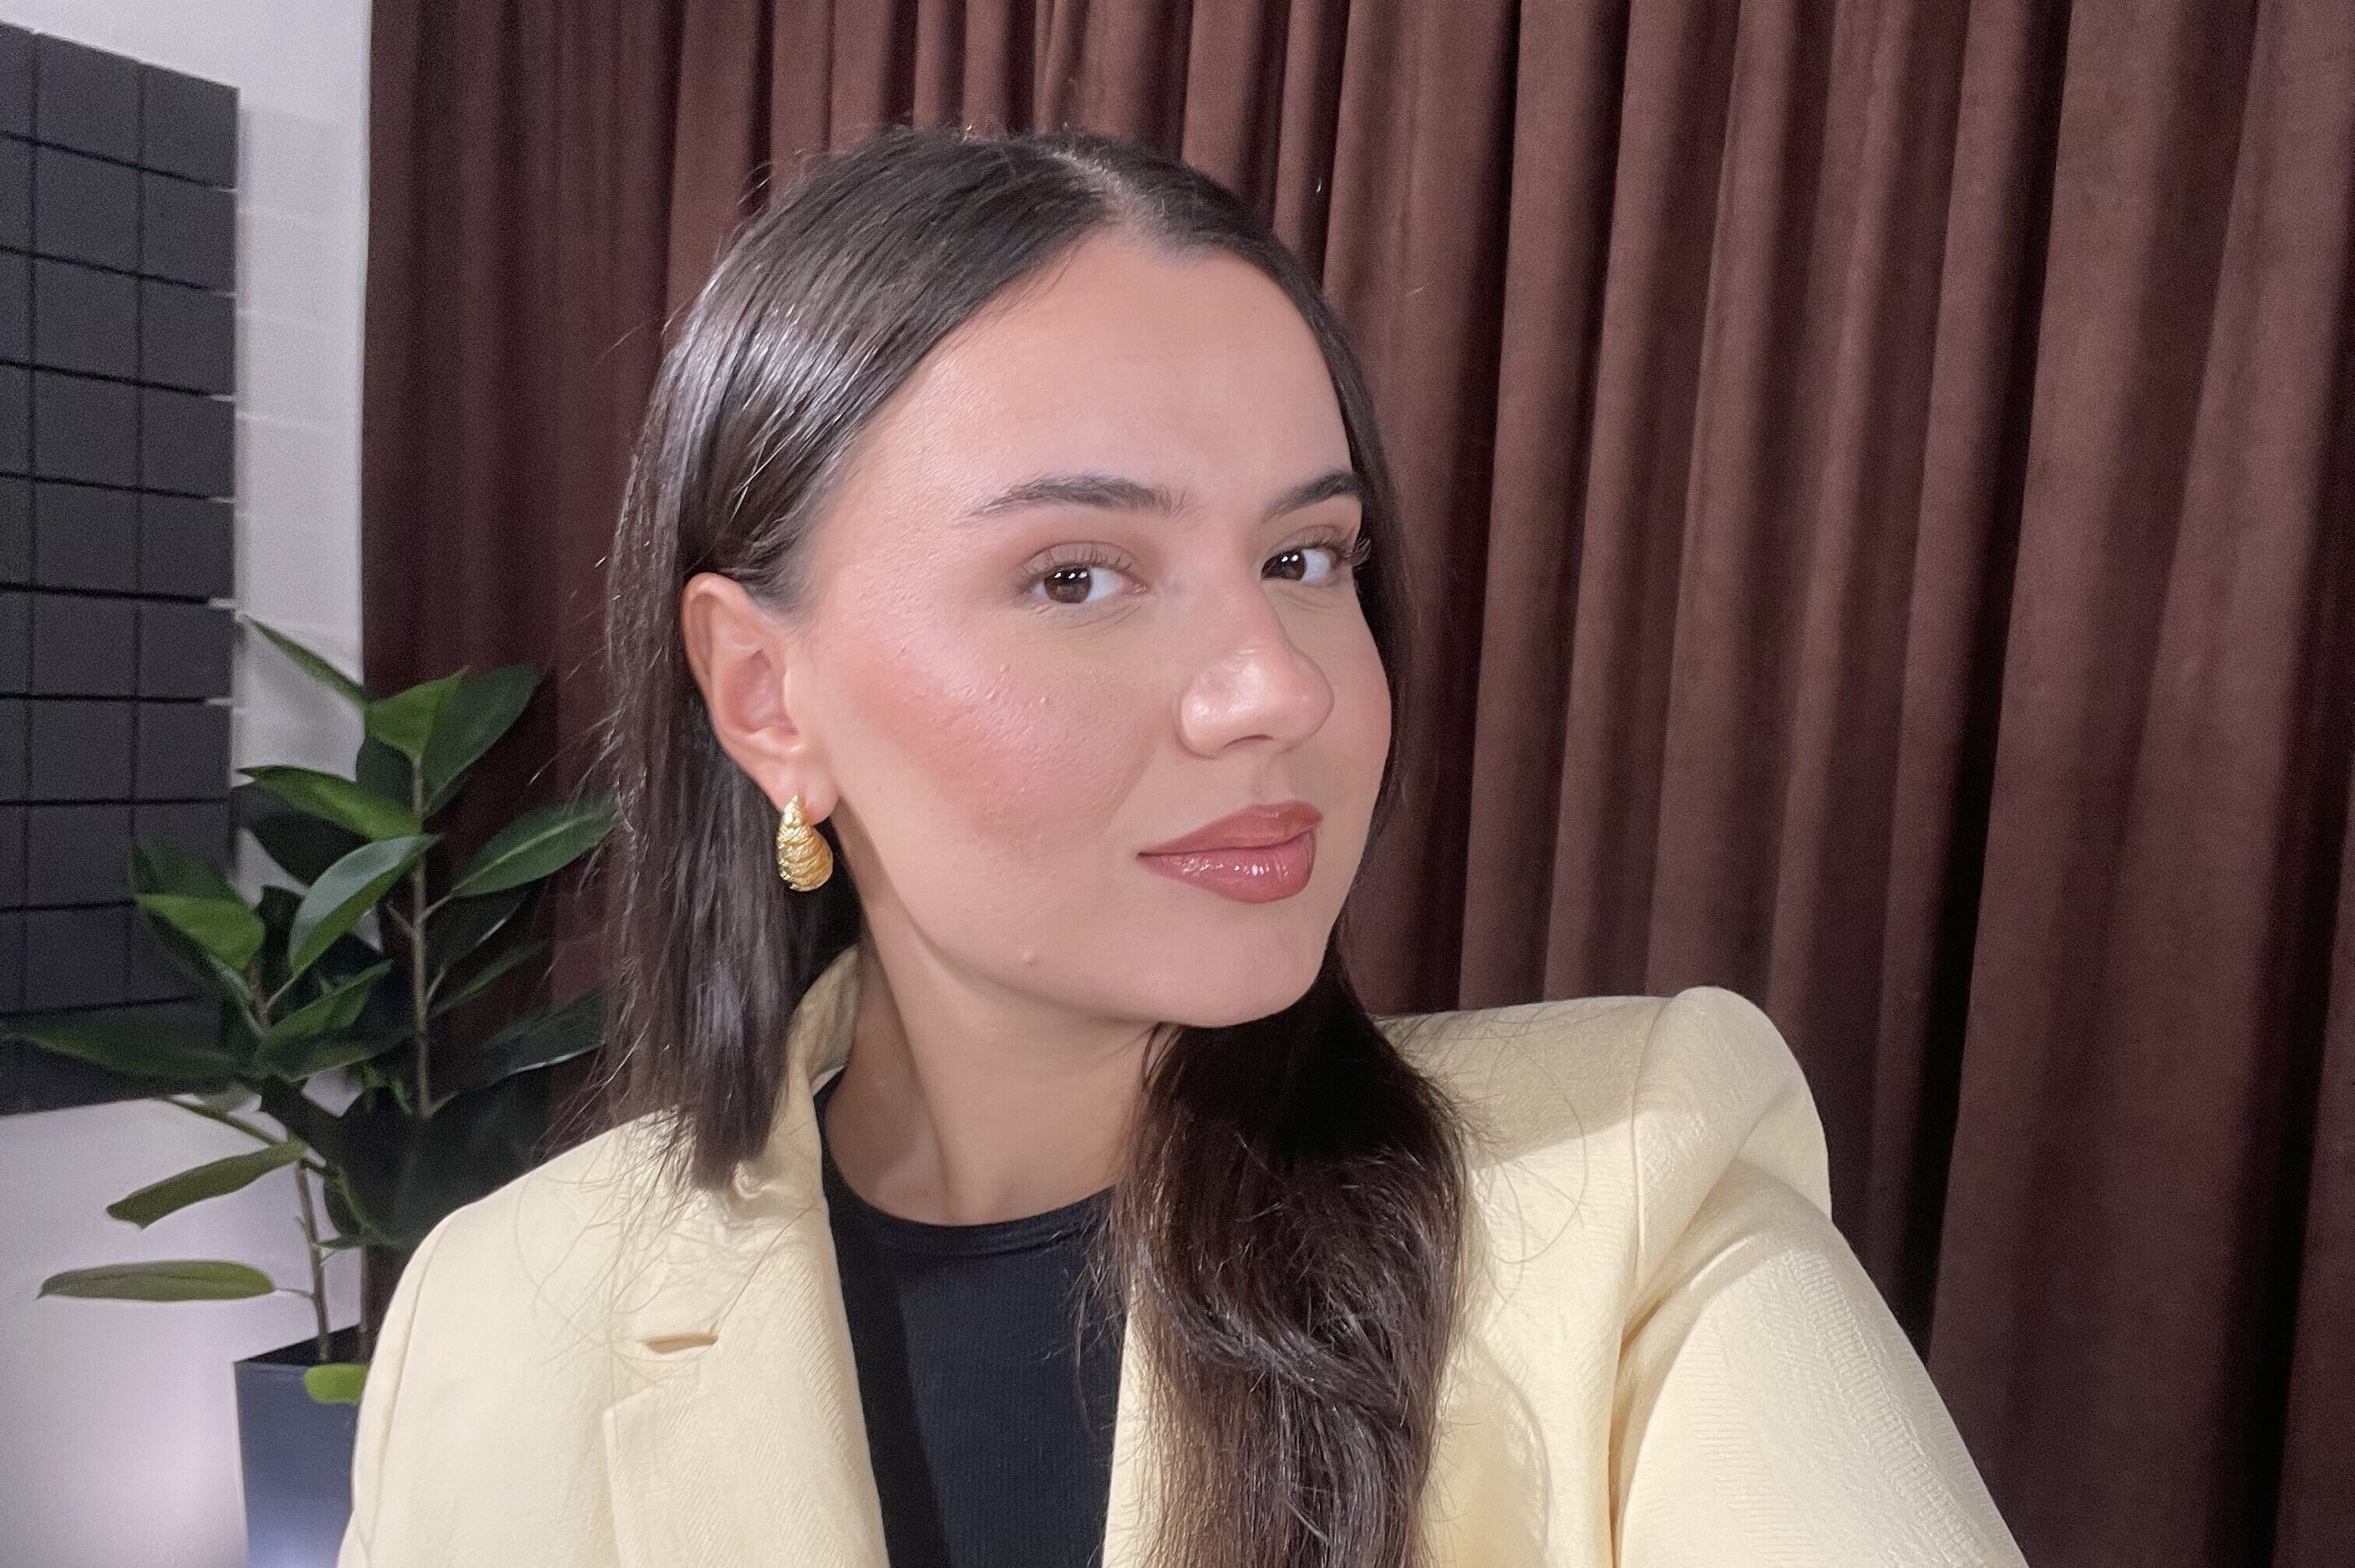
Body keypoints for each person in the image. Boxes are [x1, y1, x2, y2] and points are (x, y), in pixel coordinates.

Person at [336, 122, 2028, 1568]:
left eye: (1308, 556)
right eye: (1079, 574)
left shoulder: (1641, 1205)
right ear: (768, 693)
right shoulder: (503, 1313)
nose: (1277, 689)